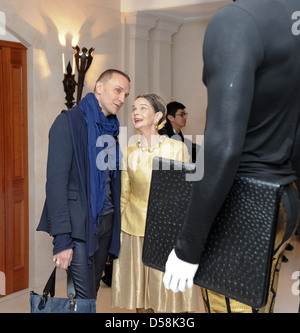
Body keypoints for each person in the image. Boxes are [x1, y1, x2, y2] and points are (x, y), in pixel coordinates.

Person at [163, 0, 300, 313]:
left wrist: (188, 246)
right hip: (283, 196)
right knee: (260, 302)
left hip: (242, 202)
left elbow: (224, 145)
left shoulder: (235, 20)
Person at [37, 69, 131, 302]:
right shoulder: (68, 122)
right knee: (84, 297)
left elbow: (111, 180)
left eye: (126, 94)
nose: (121, 98)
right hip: (78, 227)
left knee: (91, 296)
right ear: (99, 87)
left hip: (106, 223)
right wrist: (62, 240)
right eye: (117, 90)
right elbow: (56, 185)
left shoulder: (111, 128)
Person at [111, 93, 199, 313]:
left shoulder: (177, 149)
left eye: (142, 108)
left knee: (165, 298)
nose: (135, 113)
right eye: (133, 109)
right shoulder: (129, 152)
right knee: (139, 297)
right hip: (133, 230)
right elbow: (124, 194)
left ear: (158, 115)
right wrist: (117, 233)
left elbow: (185, 195)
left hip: (166, 231)